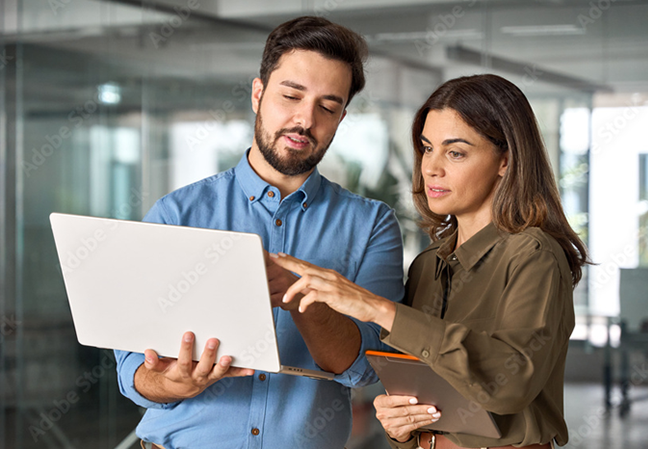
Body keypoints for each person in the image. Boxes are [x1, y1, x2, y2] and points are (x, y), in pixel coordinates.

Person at [113, 16, 405, 449]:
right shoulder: (177, 214)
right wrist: (173, 384)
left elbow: (366, 367)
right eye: (291, 95)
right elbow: (132, 371)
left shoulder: (371, 225)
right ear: (258, 94)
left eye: (327, 107)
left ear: (341, 118)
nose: (305, 120)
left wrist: (300, 293)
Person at [272, 74, 590, 449]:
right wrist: (400, 425)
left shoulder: (534, 255)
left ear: (505, 160)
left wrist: (378, 309)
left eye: (455, 152)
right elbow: (423, 398)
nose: (431, 168)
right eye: (427, 148)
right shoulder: (427, 267)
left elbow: (511, 382)